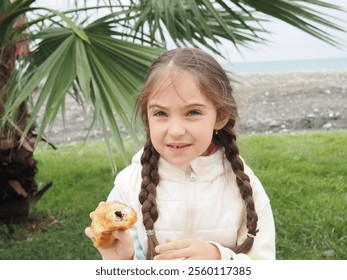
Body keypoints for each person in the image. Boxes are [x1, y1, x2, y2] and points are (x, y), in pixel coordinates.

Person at [85, 48, 276, 260]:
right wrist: (123, 262)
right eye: (160, 113)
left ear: (220, 116)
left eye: (192, 112)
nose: (175, 130)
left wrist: (220, 258)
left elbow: (264, 261)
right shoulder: (127, 188)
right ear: (147, 118)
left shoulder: (246, 187)